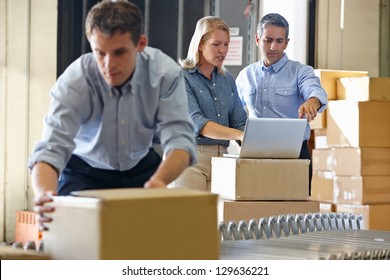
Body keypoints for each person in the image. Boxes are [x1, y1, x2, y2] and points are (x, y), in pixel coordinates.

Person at [28, 0, 196, 230]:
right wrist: (45, 196)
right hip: (83, 171)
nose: (109, 64)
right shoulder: (75, 80)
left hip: (142, 170)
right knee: (67, 238)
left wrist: (159, 182)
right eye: (100, 53)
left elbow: (180, 142)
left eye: (119, 53)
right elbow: (50, 148)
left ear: (141, 44)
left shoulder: (165, 74)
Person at [235, 13, 328, 196]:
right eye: (268, 40)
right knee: (255, 211)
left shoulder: (300, 71)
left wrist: (312, 101)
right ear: (257, 39)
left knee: (293, 214)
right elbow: (234, 112)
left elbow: (316, 91)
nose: (273, 47)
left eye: (279, 41)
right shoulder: (246, 75)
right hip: (255, 154)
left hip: (294, 153)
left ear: (286, 42)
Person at [168, 16, 247, 191]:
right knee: (190, 217)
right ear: (200, 45)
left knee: (218, 218)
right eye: (216, 44)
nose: (223, 50)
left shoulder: (227, 80)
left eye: (226, 44)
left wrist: (254, 138)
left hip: (222, 161)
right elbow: (197, 123)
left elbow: (239, 121)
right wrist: (240, 135)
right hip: (189, 161)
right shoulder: (180, 77)